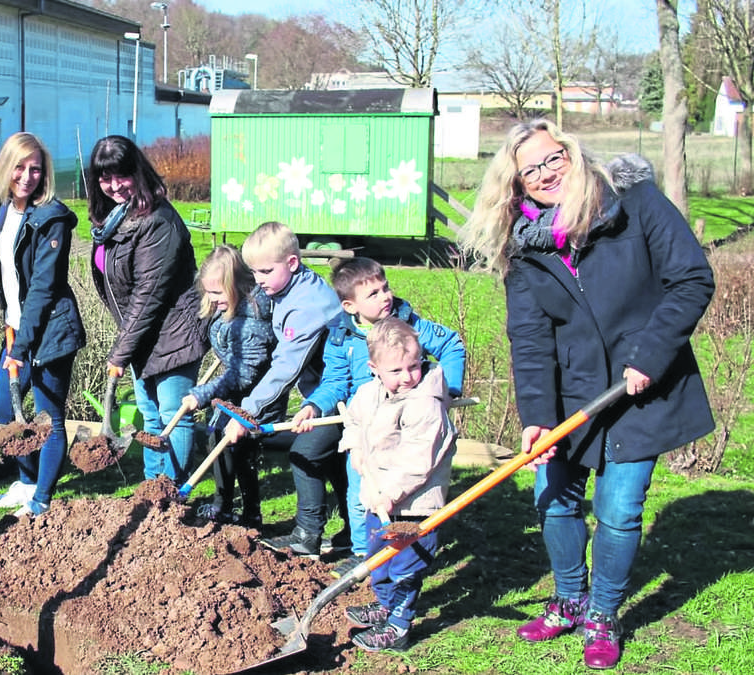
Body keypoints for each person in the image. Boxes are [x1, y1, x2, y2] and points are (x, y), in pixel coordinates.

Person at [462, 119, 715, 670]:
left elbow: (692, 278)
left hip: (640, 387)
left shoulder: (637, 204)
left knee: (619, 510)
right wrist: (535, 417)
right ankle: (570, 599)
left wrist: (651, 355)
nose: (545, 173)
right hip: (572, 394)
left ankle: (602, 612)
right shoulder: (525, 251)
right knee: (553, 500)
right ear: (518, 185)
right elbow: (528, 338)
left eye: (553, 159)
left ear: (573, 155)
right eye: (530, 170)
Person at [295, 257, 464, 575]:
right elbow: (334, 382)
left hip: (406, 422)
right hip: (366, 425)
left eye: (384, 288)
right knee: (360, 493)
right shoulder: (341, 338)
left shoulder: (408, 326)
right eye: (372, 294)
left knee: (404, 489)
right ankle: (364, 552)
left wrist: (448, 389)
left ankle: (405, 553)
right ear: (349, 306)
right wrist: (314, 405)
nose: (385, 296)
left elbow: (452, 345)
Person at [86, 135, 208, 484]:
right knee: (151, 418)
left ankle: (172, 494)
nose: (113, 186)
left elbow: (148, 294)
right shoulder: (114, 219)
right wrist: (128, 344)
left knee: (173, 416)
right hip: (143, 334)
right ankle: (154, 491)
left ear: (137, 172)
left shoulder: (157, 221)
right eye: (104, 178)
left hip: (173, 334)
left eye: (120, 176)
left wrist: (119, 354)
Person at [223, 221, 342, 555]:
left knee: (307, 450)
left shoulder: (308, 305)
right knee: (330, 457)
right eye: (254, 272)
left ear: (292, 263)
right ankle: (348, 532)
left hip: (341, 392)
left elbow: (286, 367)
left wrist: (246, 411)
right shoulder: (288, 286)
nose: (258, 280)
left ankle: (306, 537)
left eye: (264, 271)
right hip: (323, 390)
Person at [339, 317, 456, 652]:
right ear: (374, 368)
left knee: (406, 568)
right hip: (380, 501)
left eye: (414, 366)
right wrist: (355, 448)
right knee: (379, 561)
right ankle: (384, 604)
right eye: (396, 371)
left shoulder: (425, 404)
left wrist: (389, 495)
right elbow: (354, 421)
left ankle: (399, 625)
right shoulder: (368, 392)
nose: (407, 377)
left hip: (415, 507)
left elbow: (418, 461)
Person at [0, 132, 85, 517]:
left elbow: (42, 288)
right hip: (17, 328)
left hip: (51, 332)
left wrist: (21, 349)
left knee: (49, 417)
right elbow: (5, 274)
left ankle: (41, 500)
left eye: (36, 169)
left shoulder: (51, 219)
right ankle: (26, 482)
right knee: (5, 410)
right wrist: (10, 324)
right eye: (20, 167)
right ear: (6, 168)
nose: (27, 176)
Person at [181, 245, 275, 526]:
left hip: (255, 393)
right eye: (208, 292)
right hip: (235, 391)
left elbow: (243, 374)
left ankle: (249, 513)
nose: (212, 299)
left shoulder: (251, 321)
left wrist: (204, 392)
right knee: (217, 439)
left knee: (238, 447)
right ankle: (224, 505)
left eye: (218, 293)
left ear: (236, 285)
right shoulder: (229, 311)